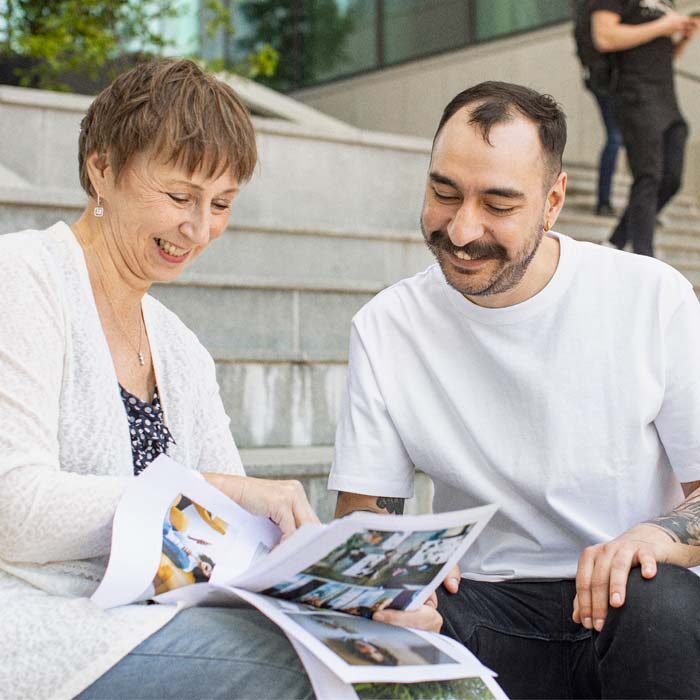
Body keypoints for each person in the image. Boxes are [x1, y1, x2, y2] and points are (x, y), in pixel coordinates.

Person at [329, 81, 700, 699]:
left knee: (658, 598)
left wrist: (655, 536)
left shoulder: (651, 297)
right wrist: (394, 592)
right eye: (443, 193)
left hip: (633, 605)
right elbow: (364, 522)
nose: (462, 229)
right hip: (479, 608)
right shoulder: (387, 325)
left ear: (553, 202)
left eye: (498, 205)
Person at [0, 58, 321, 700]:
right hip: (39, 628)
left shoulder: (178, 346)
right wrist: (198, 491)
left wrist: (339, 595)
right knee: (295, 673)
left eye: (221, 204)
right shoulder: (22, 279)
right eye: (179, 197)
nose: (199, 229)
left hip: (149, 620)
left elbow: (232, 538)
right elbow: (15, 510)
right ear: (102, 168)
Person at [590, 0, 699, 256]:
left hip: (666, 97)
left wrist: (681, 38)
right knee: (648, 177)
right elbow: (604, 37)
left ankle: (616, 241)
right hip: (634, 93)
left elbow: (660, 54)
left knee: (671, 179)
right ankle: (644, 258)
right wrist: (664, 25)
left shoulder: (664, 2)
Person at [573, 0, 624, 217]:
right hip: (607, 82)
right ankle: (604, 201)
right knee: (615, 137)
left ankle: (608, 202)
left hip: (609, 80)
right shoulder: (596, 8)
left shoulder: (587, 10)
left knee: (619, 139)